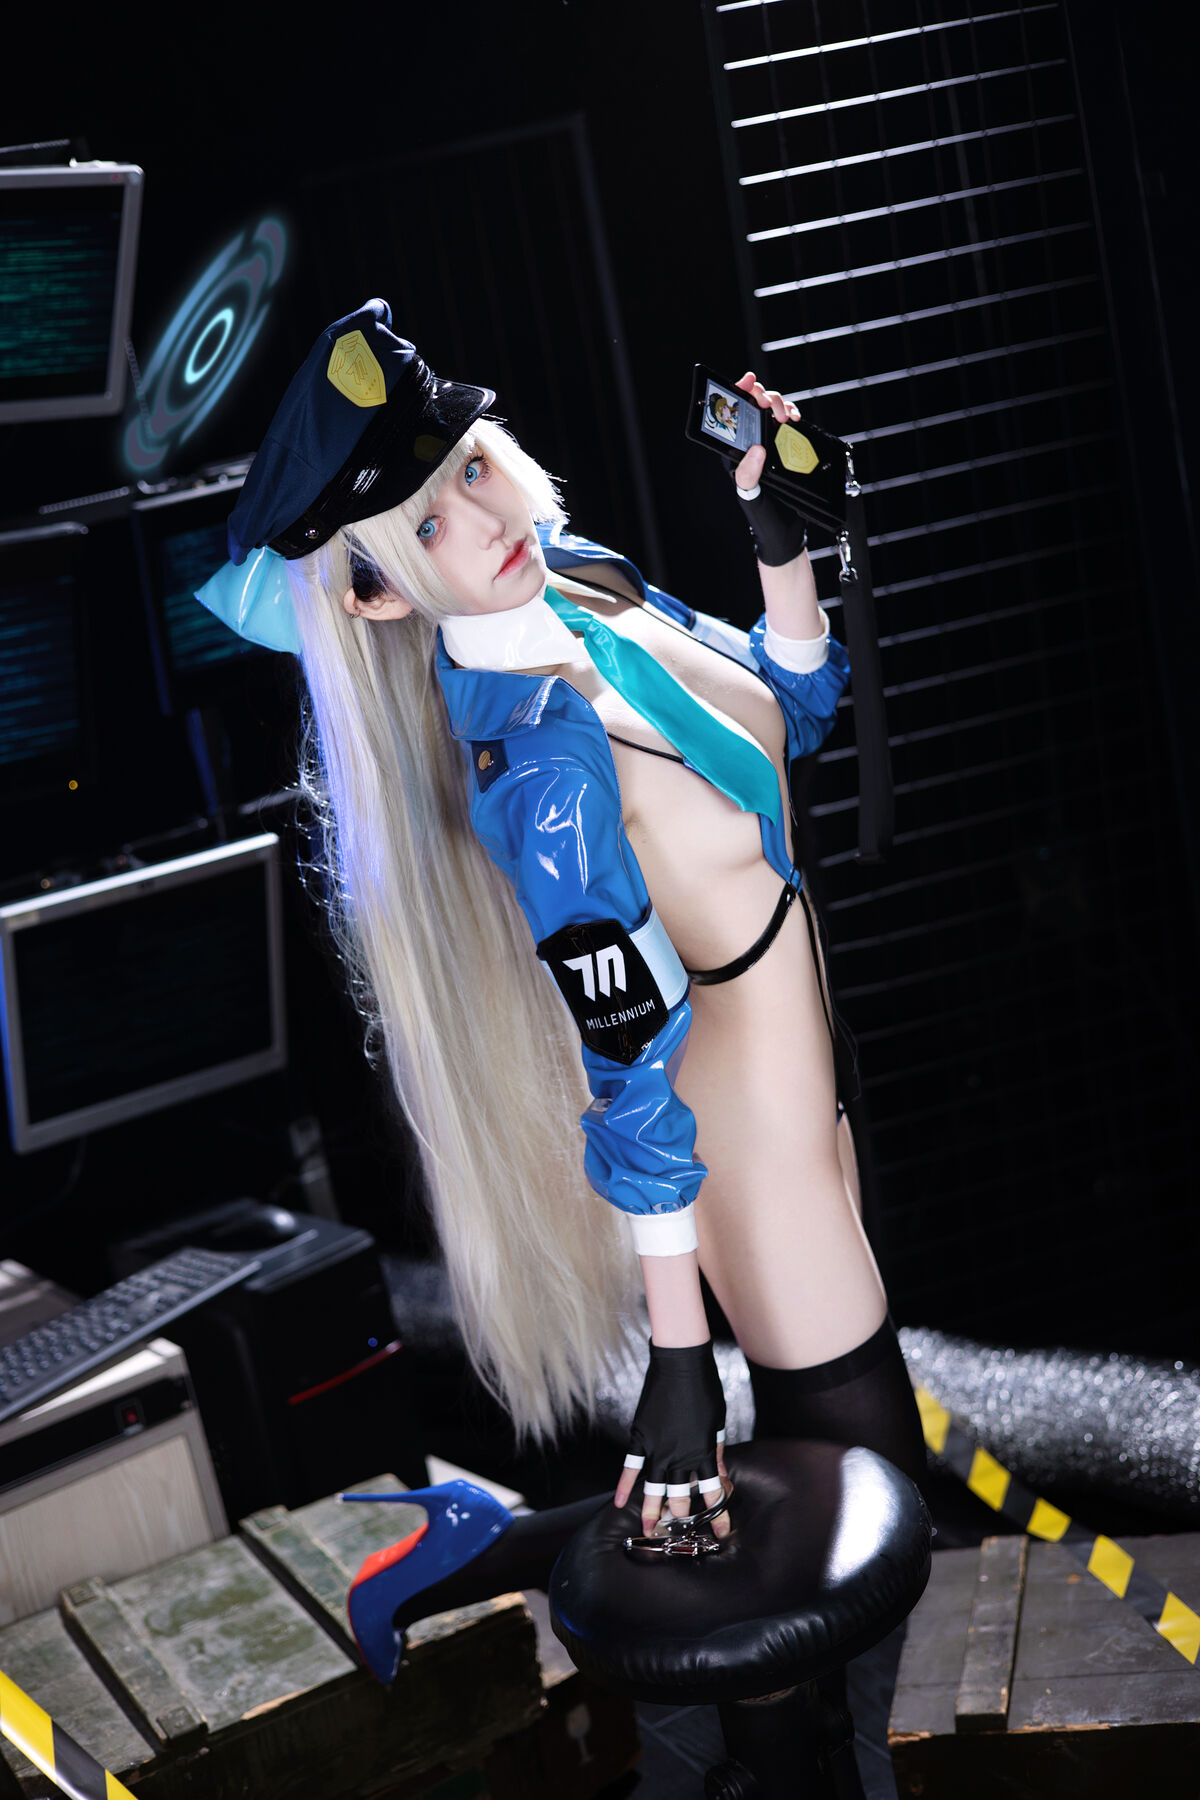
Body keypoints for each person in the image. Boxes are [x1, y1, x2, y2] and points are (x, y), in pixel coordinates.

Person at [197, 299, 926, 1703]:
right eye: (428, 519)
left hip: (803, 1077)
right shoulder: (541, 771)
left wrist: (780, 547)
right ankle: (516, 1575)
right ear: (377, 596)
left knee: (850, 1512)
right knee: (875, 1528)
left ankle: (479, 1542)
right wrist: (678, 1359)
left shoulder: (581, 582)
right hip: (741, 1137)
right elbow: (628, 1068)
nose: (485, 516)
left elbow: (787, 718)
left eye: (471, 464)